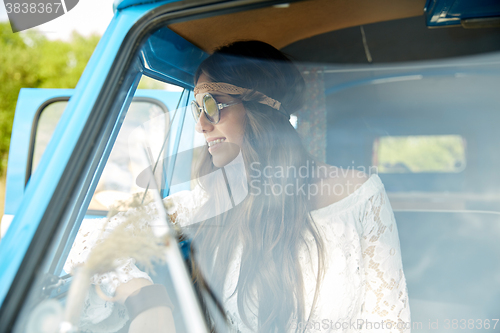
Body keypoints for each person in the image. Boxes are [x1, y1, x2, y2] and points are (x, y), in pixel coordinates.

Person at [65, 40, 410, 333]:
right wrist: (146, 297)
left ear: (264, 110)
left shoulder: (361, 194)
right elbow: (90, 241)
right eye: (196, 109)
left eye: (213, 106)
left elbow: (389, 321)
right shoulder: (210, 196)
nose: (201, 125)